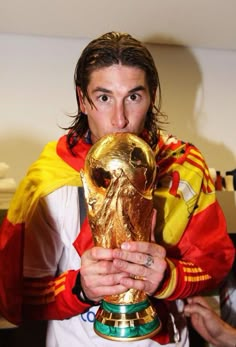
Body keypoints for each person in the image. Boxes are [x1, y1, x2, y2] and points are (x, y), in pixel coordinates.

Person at [0, 31, 235, 347]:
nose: (120, 119)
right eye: (104, 97)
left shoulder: (184, 166)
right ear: (83, 100)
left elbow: (215, 263)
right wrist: (81, 287)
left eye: (133, 97)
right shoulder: (48, 176)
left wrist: (168, 277)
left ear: (151, 97)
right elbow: (16, 293)